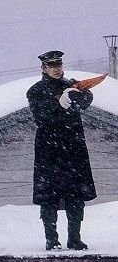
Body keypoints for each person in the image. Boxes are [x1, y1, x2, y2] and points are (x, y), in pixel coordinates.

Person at [26, 50, 97, 251]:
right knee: (49, 198)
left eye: (59, 65)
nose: (57, 69)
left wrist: (80, 94)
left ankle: (74, 238)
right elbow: (42, 117)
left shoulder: (71, 85)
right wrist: (58, 104)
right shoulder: (35, 91)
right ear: (44, 68)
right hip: (49, 152)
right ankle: (52, 239)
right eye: (52, 65)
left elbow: (86, 100)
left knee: (76, 197)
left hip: (73, 150)